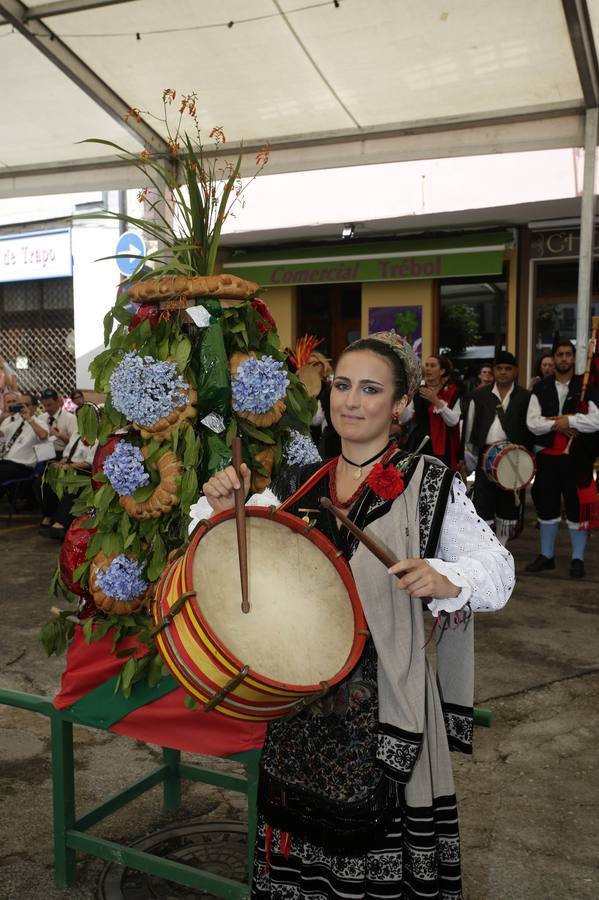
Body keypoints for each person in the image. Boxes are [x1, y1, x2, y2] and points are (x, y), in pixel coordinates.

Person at [194, 332, 514, 899]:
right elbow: (240, 563)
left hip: (386, 706)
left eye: (370, 389)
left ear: (399, 406)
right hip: (302, 712)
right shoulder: (298, 484)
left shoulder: (430, 484)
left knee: (377, 861)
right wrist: (226, 509)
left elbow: (497, 567)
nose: (350, 400)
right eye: (342, 385)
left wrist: (448, 577)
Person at [525, 340, 599, 578]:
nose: (564, 358)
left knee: (577, 508)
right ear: (553, 358)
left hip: (577, 458)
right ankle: (546, 556)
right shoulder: (541, 388)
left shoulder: (587, 387)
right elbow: (533, 424)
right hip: (548, 459)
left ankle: (577, 558)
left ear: (574, 358)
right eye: (560, 354)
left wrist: (572, 421)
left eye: (568, 354)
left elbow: (596, 421)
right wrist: (560, 424)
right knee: (547, 506)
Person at [462, 351, 533, 544]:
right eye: (499, 368)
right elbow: (469, 429)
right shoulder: (478, 396)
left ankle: (501, 549)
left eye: (508, 369)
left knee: (508, 509)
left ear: (515, 371)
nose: (503, 372)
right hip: (485, 458)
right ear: (494, 370)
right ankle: (485, 548)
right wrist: (468, 458)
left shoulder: (525, 397)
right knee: (482, 505)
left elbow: (531, 428)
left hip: (514, 460)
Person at [403, 354, 461, 469]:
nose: (428, 368)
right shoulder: (418, 390)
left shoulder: (451, 392)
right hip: (419, 442)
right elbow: (404, 418)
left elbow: (453, 421)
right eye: (427, 365)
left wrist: (436, 400)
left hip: (443, 446)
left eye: (433, 365)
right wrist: (405, 399)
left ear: (442, 371)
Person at [38, 430, 98, 539]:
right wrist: (61, 463)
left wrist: (70, 466)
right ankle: (48, 516)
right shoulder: (76, 433)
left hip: (84, 470)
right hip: (69, 465)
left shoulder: (96, 434)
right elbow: (67, 454)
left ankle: (60, 524)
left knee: (72, 487)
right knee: (46, 482)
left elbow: (89, 462)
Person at [0, 392, 49, 482]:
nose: (22, 407)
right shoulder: (15, 423)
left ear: (34, 407)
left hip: (22, 466)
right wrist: (2, 417)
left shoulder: (40, 423)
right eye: (19, 405)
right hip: (6, 462)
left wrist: (29, 418)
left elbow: (43, 436)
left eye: (26, 405)